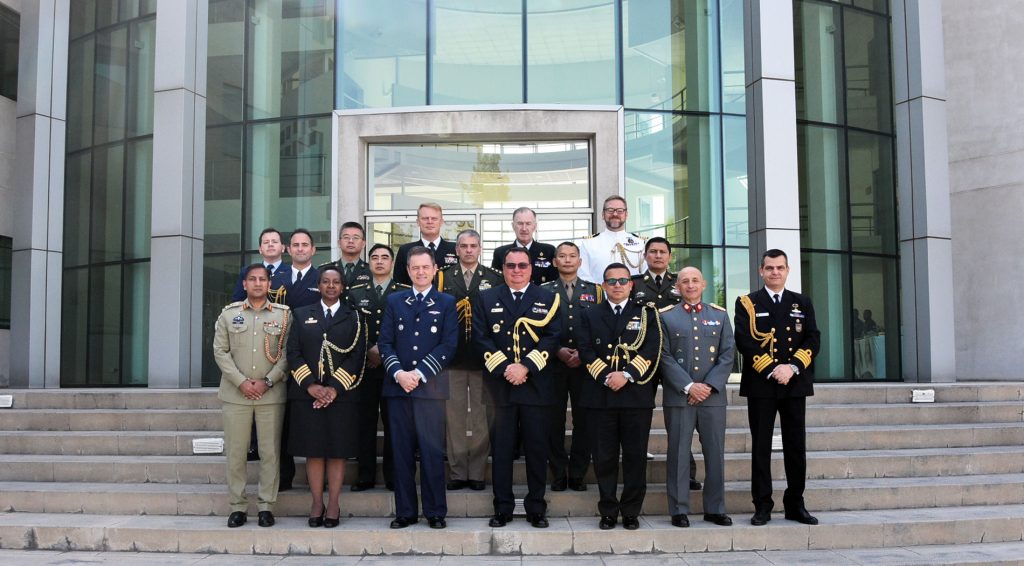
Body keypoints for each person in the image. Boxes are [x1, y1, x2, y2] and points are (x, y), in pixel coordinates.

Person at [472, 248, 562, 529]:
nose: (516, 269)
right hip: (500, 387)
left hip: (536, 385)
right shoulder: (486, 298)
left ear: (531, 268)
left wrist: (526, 367)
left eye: (522, 265)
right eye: (510, 265)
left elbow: (553, 337)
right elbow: (480, 337)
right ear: (502, 268)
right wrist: (506, 369)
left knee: (536, 449)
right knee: (501, 450)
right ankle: (503, 508)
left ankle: (536, 507)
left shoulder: (548, 298)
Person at [734, 249, 821, 526]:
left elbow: (812, 339)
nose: (775, 272)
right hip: (762, 385)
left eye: (780, 268)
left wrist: (792, 367)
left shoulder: (802, 302)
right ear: (761, 271)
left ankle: (796, 503)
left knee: (796, 446)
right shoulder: (747, 303)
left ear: (787, 270)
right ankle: (762, 505)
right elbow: (744, 341)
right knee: (761, 447)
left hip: (794, 384)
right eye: (769, 268)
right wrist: (773, 369)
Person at [576, 263, 663, 530]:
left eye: (622, 281)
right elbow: (585, 348)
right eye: (611, 281)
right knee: (604, 457)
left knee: (635, 456)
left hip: (635, 395)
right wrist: (606, 376)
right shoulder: (589, 314)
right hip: (600, 394)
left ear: (631, 284)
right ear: (603, 286)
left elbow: (651, 349)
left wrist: (625, 375)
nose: (617, 285)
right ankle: (608, 510)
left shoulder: (647, 313)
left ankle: (631, 511)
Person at [378, 246, 459, 529]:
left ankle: (435, 512)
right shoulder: (395, 301)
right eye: (415, 268)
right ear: (408, 270)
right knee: (400, 453)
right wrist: (400, 373)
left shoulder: (447, 302)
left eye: (425, 267)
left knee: (432, 453)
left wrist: (419, 373)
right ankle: (406, 512)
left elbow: (449, 345)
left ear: (435, 269)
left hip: (431, 390)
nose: (420, 272)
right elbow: (385, 342)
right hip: (398, 388)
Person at [286, 265, 366, 528]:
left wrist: (333, 388)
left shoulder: (355, 316)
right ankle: (316, 502)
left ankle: (333, 503)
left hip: (341, 396)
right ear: (318, 286)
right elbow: (293, 353)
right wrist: (311, 386)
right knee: (314, 451)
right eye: (325, 282)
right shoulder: (300, 314)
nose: (331, 286)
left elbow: (357, 356)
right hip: (307, 395)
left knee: (337, 451)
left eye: (336, 282)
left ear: (343, 287)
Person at [213, 263, 290, 528]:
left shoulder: (284, 315)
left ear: (270, 284)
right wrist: (241, 382)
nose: (258, 283)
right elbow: (220, 352)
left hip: (271, 394)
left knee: (270, 453)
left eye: (263, 279)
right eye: (252, 279)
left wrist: (268, 381)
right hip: (236, 395)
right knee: (236, 453)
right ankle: (238, 506)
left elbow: (288, 355)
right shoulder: (228, 315)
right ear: (244, 284)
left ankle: (266, 506)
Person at [659, 267, 735, 528]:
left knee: (715, 454)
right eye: (684, 282)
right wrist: (690, 386)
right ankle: (679, 509)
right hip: (680, 396)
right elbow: (664, 356)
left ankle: (715, 508)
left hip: (712, 398)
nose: (690, 285)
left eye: (694, 281)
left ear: (703, 284)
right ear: (677, 287)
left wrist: (708, 386)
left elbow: (727, 355)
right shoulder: (666, 317)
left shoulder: (720, 315)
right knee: (678, 454)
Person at [630, 237, 701, 491]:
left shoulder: (680, 282)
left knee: (680, 420)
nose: (658, 256)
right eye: (653, 252)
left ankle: (688, 473)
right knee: (639, 417)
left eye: (662, 252)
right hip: (643, 358)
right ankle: (636, 470)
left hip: (676, 358)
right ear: (645, 256)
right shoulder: (634, 283)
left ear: (670, 256)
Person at [435, 229, 502, 491]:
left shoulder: (494, 278)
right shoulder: (442, 277)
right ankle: (457, 471)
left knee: (480, 419)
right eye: (463, 246)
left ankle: (476, 473)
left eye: (473, 245)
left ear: (480, 248)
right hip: (452, 358)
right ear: (457, 250)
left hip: (483, 359)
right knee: (455, 418)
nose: (469, 250)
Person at [539, 241, 602, 492]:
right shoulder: (543, 290)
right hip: (553, 364)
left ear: (580, 261)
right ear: (554, 262)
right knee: (553, 421)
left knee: (584, 421)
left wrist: (583, 354)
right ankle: (557, 472)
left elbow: (598, 326)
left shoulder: (595, 291)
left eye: (572, 256)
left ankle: (577, 473)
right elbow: (538, 329)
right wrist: (557, 350)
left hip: (584, 365)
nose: (567, 260)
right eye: (562, 256)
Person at [346, 243, 407, 492]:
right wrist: (369, 348)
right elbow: (350, 326)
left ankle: (393, 475)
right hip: (365, 367)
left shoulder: (403, 291)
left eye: (385, 257)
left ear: (392, 263)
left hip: (395, 368)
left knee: (394, 422)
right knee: (365, 422)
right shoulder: (354, 292)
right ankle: (365, 475)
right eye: (375, 257)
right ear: (368, 262)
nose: (379, 261)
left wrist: (385, 353)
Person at [277, 228, 322, 491]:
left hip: (313, 357)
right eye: (295, 245)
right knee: (282, 421)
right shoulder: (275, 278)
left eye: (305, 245)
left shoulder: (323, 278)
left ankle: (319, 478)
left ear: (313, 250)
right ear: (288, 249)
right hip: (279, 353)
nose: (301, 249)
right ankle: (284, 475)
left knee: (313, 419)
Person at [578, 196, 647, 284]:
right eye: (610, 210)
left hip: (632, 295)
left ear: (626, 215)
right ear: (603, 215)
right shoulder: (588, 243)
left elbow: (645, 273)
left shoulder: (640, 243)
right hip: (599, 296)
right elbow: (583, 274)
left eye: (620, 211)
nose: (615, 214)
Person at [394, 203, 458, 285]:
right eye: (425, 218)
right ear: (418, 222)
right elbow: (399, 284)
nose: (430, 222)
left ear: (441, 222)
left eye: (434, 218)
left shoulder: (455, 249)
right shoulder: (405, 250)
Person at [491, 206, 558, 285]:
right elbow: (496, 283)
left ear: (535, 226)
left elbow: (555, 281)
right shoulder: (500, 253)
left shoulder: (548, 251)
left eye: (528, 223)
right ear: (513, 226)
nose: (524, 228)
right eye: (520, 223)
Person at [231, 227, 290, 302]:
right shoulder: (247, 272)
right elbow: (237, 301)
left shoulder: (292, 272)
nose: (270, 245)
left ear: (283, 248)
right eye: (266, 242)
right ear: (260, 249)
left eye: (274, 242)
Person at [322, 222, 372, 288]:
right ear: (339, 242)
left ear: (363, 244)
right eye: (346, 237)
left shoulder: (371, 270)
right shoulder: (325, 270)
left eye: (356, 238)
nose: (350, 241)